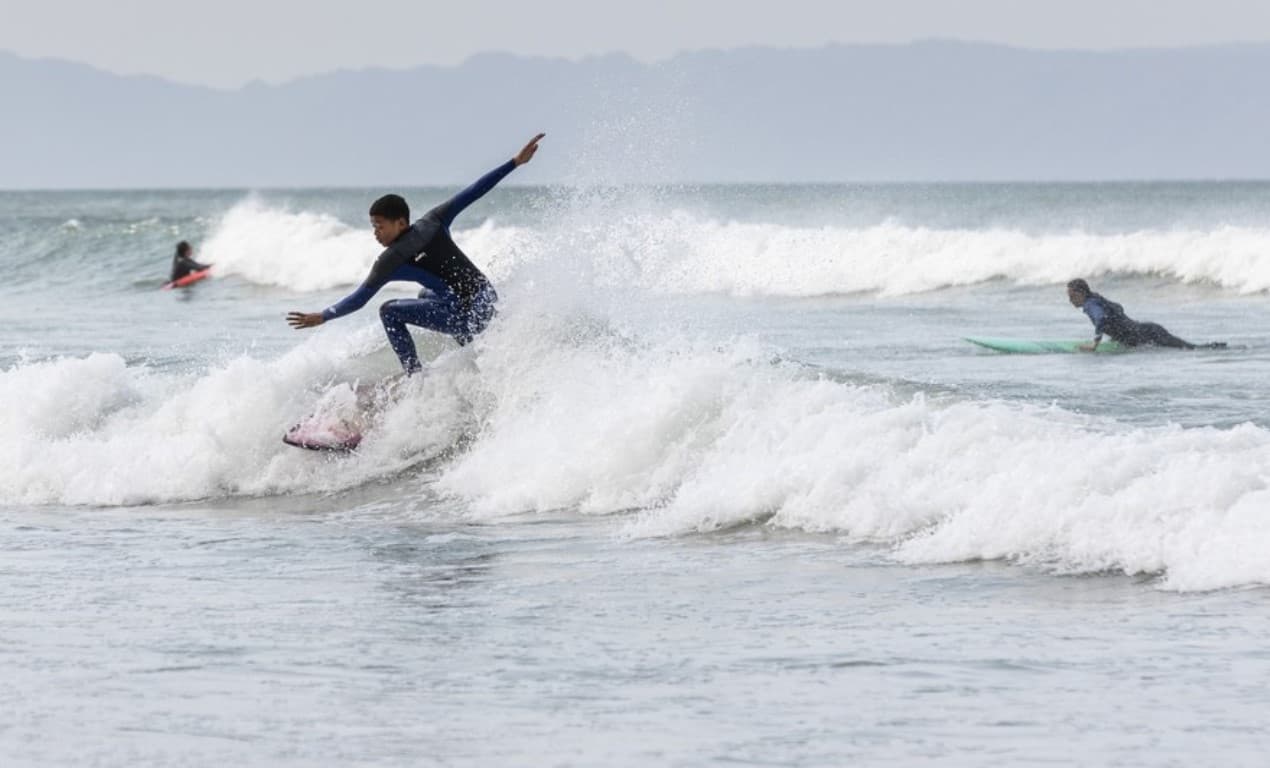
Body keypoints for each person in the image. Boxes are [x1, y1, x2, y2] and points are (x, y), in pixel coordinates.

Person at [287, 133, 545, 374]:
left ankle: (415, 376)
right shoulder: (434, 220)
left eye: (380, 226)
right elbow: (475, 190)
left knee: (388, 311)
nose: (376, 233)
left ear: (400, 222)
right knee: (425, 293)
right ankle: (473, 354)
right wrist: (515, 162)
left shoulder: (391, 259)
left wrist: (324, 316)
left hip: (468, 316)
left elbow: (359, 299)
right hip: (488, 301)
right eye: (373, 227)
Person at [1066, 278, 1197, 351]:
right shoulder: (1097, 299)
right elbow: (1118, 308)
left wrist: (1094, 344)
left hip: (1144, 335)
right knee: (1190, 347)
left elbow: (1101, 318)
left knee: (1191, 349)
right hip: (1147, 331)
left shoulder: (1090, 305)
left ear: (1081, 293)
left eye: (1072, 296)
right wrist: (1116, 335)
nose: (1070, 300)